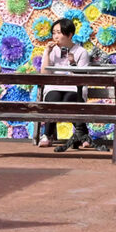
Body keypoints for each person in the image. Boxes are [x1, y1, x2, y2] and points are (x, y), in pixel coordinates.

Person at [38, 18, 95, 152]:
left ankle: (82, 136)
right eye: (54, 33)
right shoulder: (52, 51)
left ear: (69, 35)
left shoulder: (81, 52)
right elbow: (44, 74)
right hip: (54, 86)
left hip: (75, 88)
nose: (56, 36)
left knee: (69, 99)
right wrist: (47, 52)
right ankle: (48, 134)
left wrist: (73, 64)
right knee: (53, 99)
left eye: (59, 32)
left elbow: (82, 77)